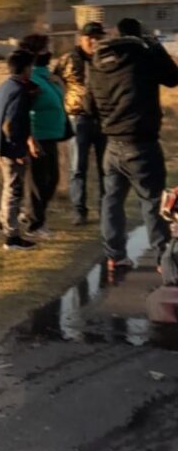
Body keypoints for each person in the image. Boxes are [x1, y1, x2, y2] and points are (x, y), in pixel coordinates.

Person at [86, 17, 178, 270]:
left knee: (112, 201)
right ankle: (163, 258)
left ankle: (115, 256)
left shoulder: (96, 62)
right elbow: (173, 78)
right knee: (152, 201)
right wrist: (156, 46)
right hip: (141, 141)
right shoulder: (143, 56)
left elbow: (88, 106)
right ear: (139, 35)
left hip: (112, 144)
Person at [54, 22, 107, 225]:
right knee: (77, 167)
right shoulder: (68, 59)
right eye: (89, 38)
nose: (94, 41)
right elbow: (55, 81)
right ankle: (79, 210)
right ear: (81, 39)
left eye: (98, 37)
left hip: (104, 118)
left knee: (106, 167)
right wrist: (63, 104)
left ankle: (105, 209)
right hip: (78, 118)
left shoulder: (107, 58)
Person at [19, 33, 67, 239]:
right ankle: (34, 224)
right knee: (38, 182)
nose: (50, 52)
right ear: (35, 53)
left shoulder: (47, 76)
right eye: (45, 49)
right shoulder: (31, 79)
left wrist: (59, 83)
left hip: (52, 134)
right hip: (38, 136)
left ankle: (31, 213)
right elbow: (23, 110)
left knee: (52, 179)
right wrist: (29, 138)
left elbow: (60, 98)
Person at [0, 49, 38, 250]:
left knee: (9, 186)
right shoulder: (19, 90)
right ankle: (12, 237)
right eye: (30, 67)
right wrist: (18, 151)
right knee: (14, 190)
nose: (32, 70)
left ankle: (3, 224)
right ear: (25, 68)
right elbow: (10, 124)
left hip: (1, 144)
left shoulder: (6, 85)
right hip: (11, 147)